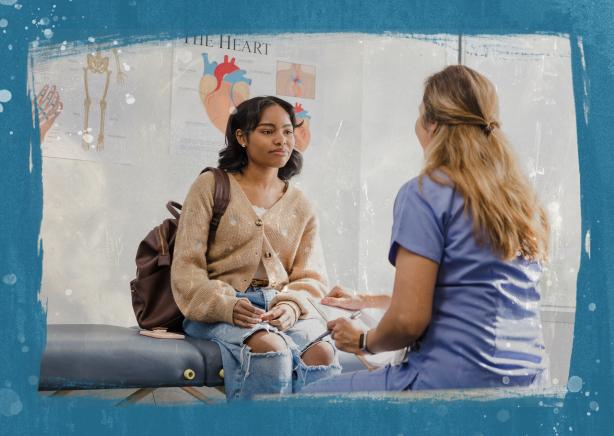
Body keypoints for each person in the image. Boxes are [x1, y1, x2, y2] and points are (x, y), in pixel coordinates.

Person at [302, 65, 550, 393]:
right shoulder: (519, 199)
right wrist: (369, 300)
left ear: (431, 124)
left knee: (308, 401)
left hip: (451, 382)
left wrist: (363, 340)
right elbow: (468, 291)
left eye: (420, 116)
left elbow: (408, 321)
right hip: (528, 383)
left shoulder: (425, 192)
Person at [171, 96, 340, 400]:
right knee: (271, 349)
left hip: (281, 308)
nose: (281, 140)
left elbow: (312, 278)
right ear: (242, 137)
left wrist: (291, 305)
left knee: (323, 353)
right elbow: (186, 269)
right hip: (220, 311)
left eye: (288, 132)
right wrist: (226, 305)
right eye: (267, 131)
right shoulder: (210, 186)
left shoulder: (301, 204)